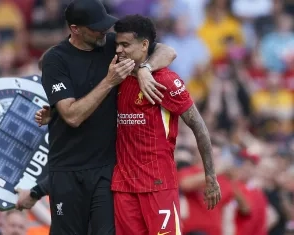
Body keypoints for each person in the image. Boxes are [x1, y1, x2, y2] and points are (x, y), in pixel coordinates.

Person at [36, 15, 221, 235]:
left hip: (158, 184)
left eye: (125, 45)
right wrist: (55, 113)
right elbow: (82, 96)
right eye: (117, 45)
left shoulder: (165, 81)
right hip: (123, 187)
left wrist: (211, 176)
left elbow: (198, 125)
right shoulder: (116, 78)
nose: (119, 50)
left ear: (144, 45)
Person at [15, 0, 177, 234]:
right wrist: (110, 81)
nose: (104, 30)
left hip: (106, 169)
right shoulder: (56, 60)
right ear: (75, 29)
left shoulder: (112, 44)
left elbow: (166, 50)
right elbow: (72, 116)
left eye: (105, 24)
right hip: (67, 171)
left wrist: (145, 69)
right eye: (96, 27)